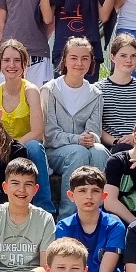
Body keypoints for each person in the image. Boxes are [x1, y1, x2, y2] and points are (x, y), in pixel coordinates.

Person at [41, 37, 108, 219]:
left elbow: (94, 130)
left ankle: (98, 215)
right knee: (78, 153)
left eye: (85, 58)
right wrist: (76, 139)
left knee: (100, 152)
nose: (79, 63)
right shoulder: (50, 90)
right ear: (64, 60)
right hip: (55, 152)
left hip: (83, 148)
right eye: (74, 58)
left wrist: (91, 137)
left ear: (91, 62)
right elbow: (49, 134)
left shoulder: (95, 94)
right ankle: (67, 217)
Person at [0, 40, 56, 214]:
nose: (12, 65)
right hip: (0, 148)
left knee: (35, 146)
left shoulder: (31, 91)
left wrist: (12, 146)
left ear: (25, 64)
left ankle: (45, 209)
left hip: (26, 148)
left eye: (17, 60)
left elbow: (37, 132)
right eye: (7, 60)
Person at [97, 33, 136, 151]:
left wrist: (134, 138)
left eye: (133, 56)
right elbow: (96, 125)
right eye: (123, 56)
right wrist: (116, 141)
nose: (129, 60)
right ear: (112, 57)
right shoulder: (98, 89)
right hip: (111, 145)